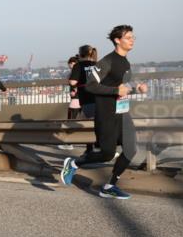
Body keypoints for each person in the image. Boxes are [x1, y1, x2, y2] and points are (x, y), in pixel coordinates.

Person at [60, 26, 146, 199]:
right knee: (107, 154)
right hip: (106, 114)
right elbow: (91, 85)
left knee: (130, 150)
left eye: (133, 37)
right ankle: (74, 163)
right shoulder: (107, 61)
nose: (132, 40)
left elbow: (122, 88)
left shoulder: (125, 62)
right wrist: (116, 91)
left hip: (122, 113)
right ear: (117, 40)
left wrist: (137, 88)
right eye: (128, 37)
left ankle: (109, 186)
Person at [66, 56, 81, 120]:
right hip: (76, 96)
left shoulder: (75, 72)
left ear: (73, 63)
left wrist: (75, 90)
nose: (69, 66)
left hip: (76, 97)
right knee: (72, 114)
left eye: (69, 64)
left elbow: (75, 83)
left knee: (71, 117)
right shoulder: (75, 71)